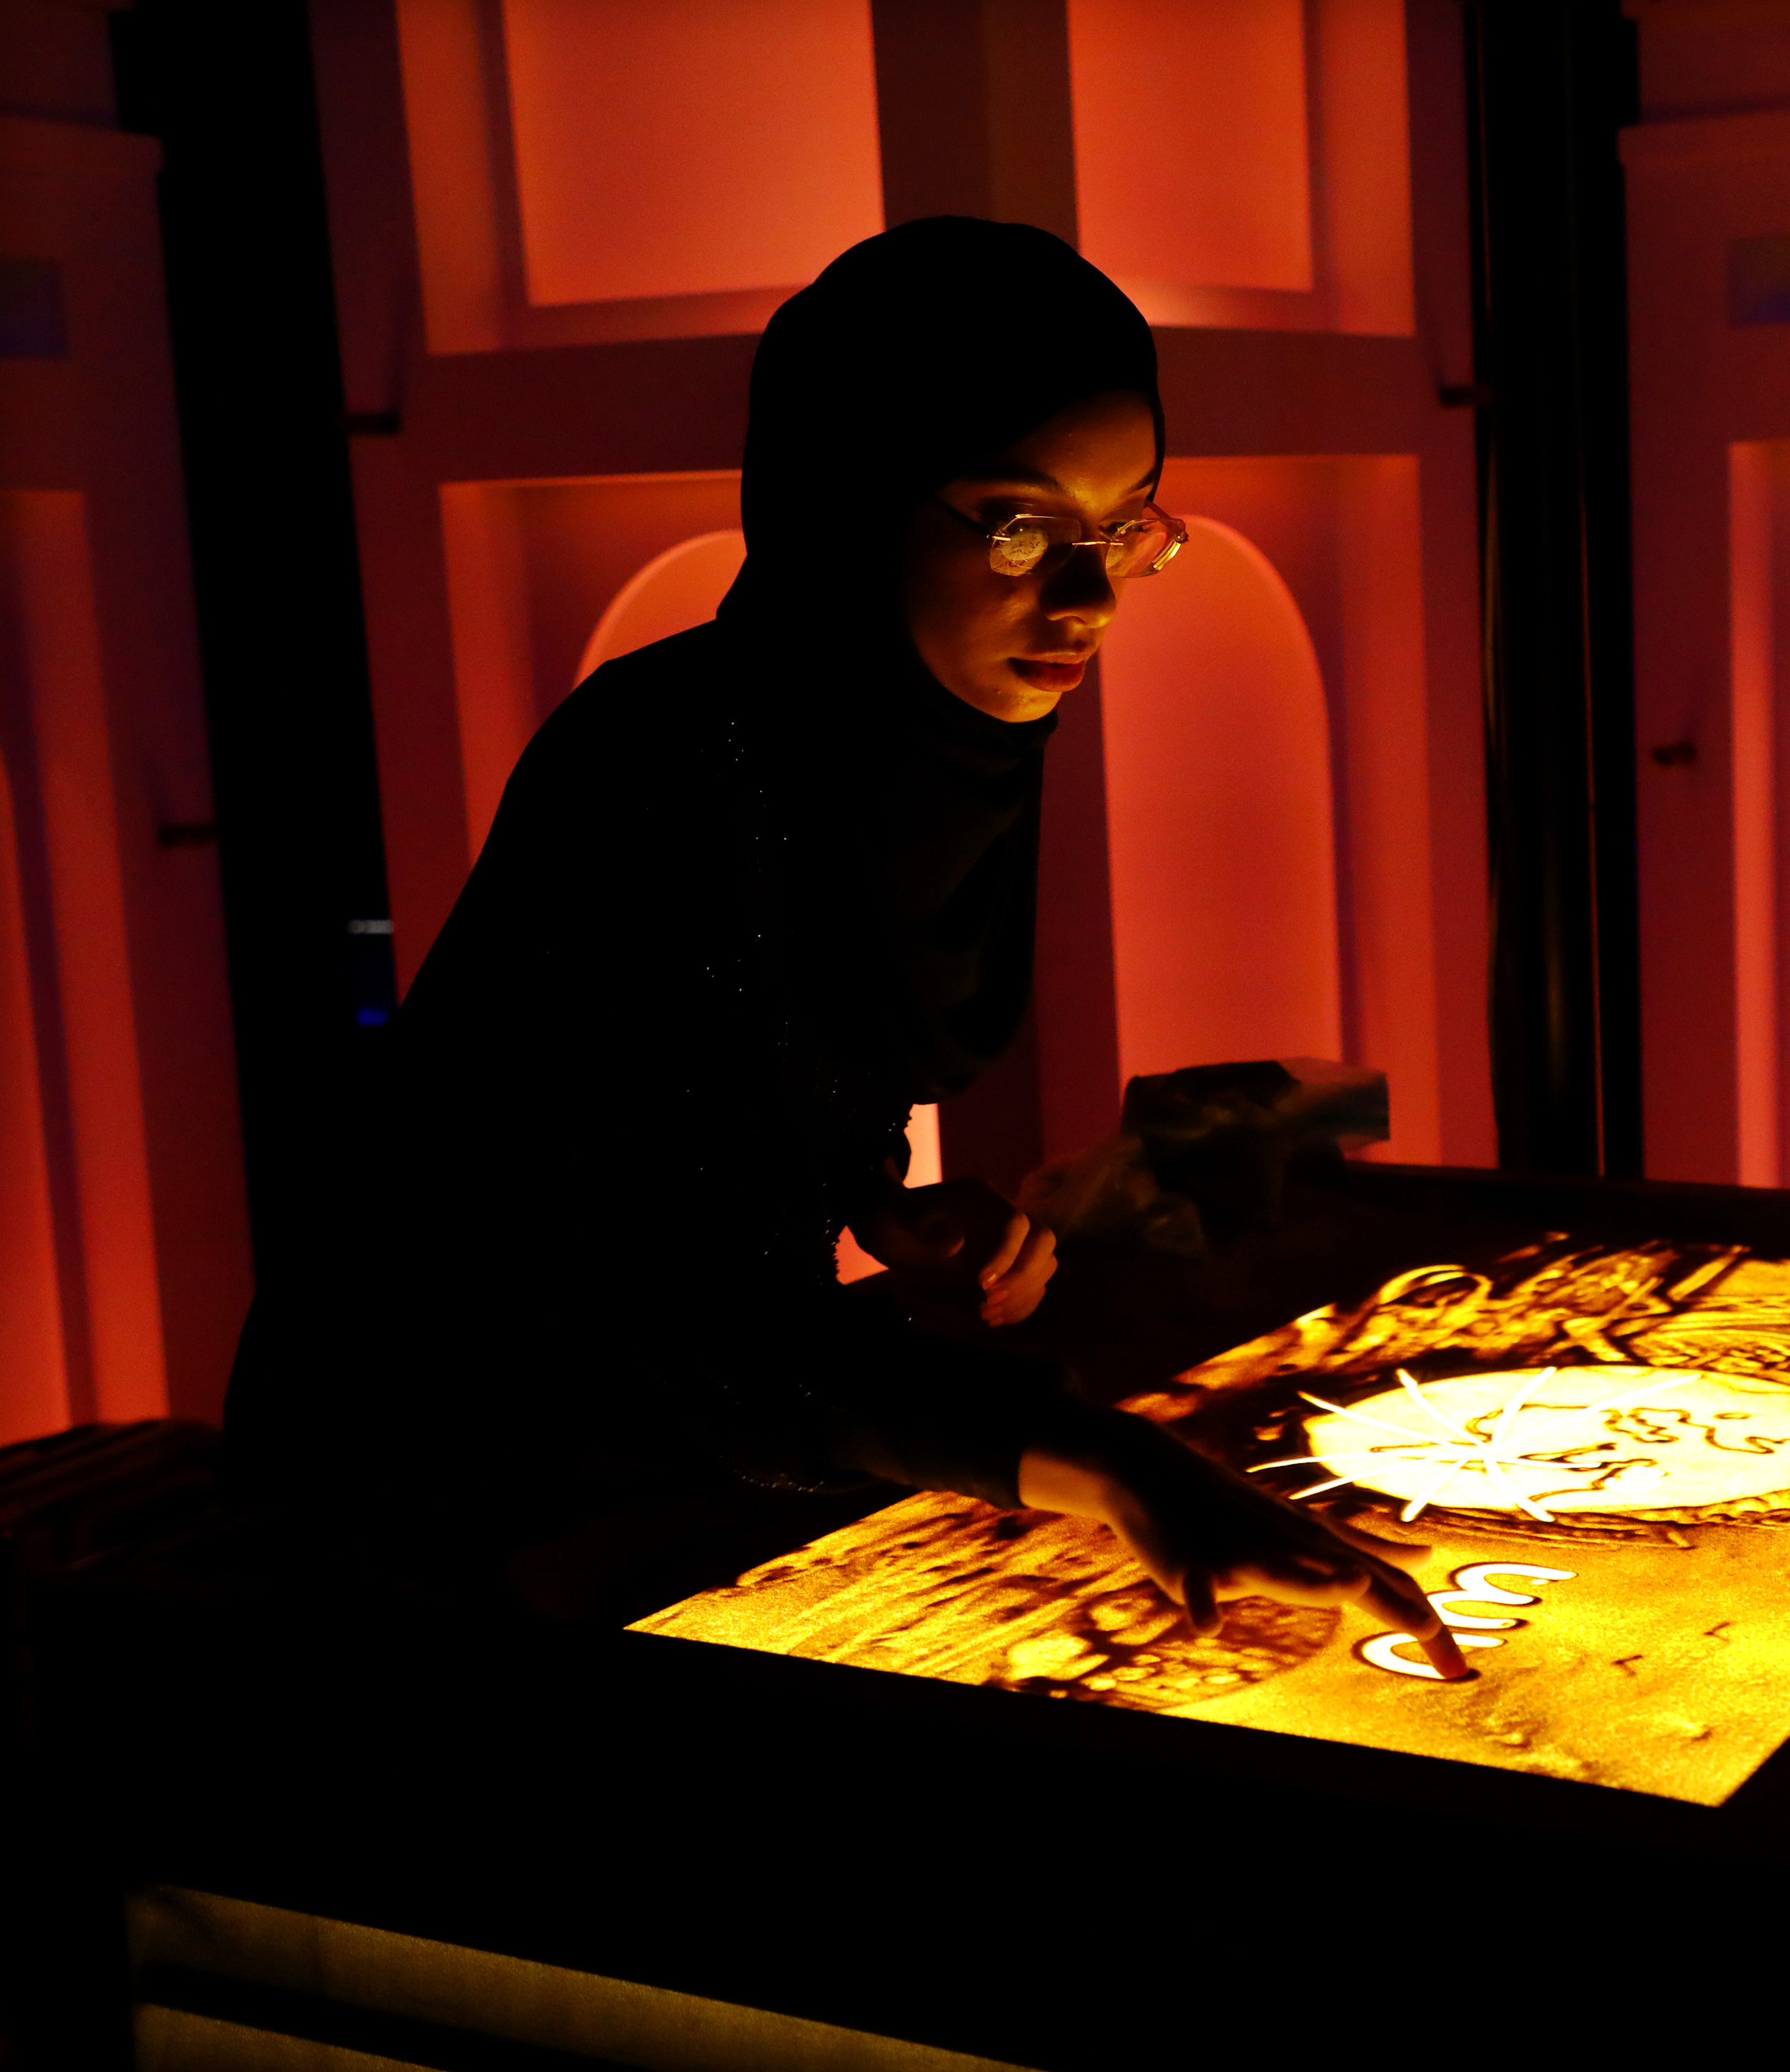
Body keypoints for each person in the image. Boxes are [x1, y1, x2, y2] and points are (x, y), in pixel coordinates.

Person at [225, 218, 1462, 1676]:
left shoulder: (916, 747)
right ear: (850, 505)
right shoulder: (681, 764)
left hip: (646, 1453)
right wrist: (1125, 1471)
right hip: (440, 1511)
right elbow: (656, 1308)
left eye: (1122, 529)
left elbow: (735, 1108)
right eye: (1017, 524)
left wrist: (872, 1201)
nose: (1085, 601)